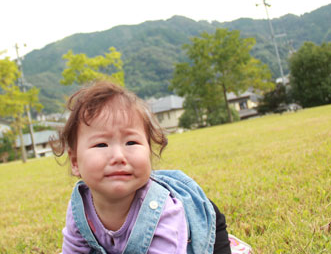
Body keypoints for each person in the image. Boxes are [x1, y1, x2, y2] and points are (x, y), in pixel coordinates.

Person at [51, 80, 232, 254]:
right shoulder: (80, 208)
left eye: (131, 142)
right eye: (101, 145)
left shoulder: (162, 209)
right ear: (75, 162)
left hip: (205, 227)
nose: (118, 157)